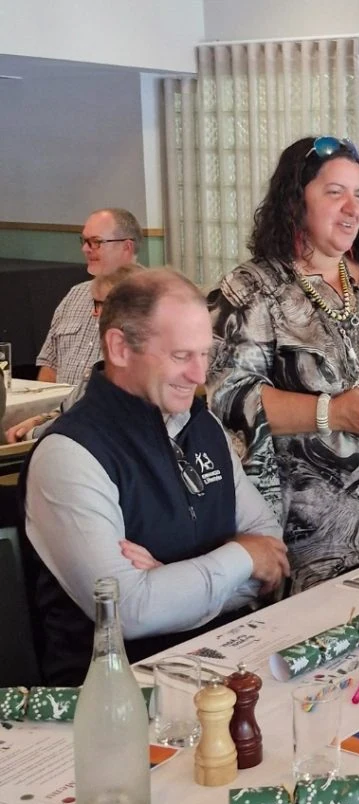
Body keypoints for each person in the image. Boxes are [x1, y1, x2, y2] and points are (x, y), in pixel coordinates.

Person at [22, 268, 288, 687]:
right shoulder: (69, 455)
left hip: (221, 668)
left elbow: (271, 553)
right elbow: (129, 612)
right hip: (117, 699)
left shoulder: (205, 427)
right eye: (181, 356)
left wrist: (170, 579)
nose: (200, 376)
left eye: (205, 355)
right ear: (120, 348)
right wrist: (239, 558)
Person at [208, 136, 359, 590]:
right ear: (296, 201)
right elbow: (231, 397)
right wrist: (332, 413)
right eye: (335, 193)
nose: (353, 208)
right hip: (306, 531)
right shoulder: (251, 290)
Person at [7, 265, 143, 443]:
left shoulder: (129, 366)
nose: (93, 313)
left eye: (99, 304)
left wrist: (31, 435)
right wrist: (38, 420)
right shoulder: (104, 367)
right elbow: (69, 407)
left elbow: (86, 419)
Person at [36, 208, 142, 385]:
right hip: (63, 410)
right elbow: (49, 366)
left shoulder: (151, 299)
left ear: (126, 247)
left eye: (96, 242)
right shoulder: (75, 294)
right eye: (84, 241)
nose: (85, 249)